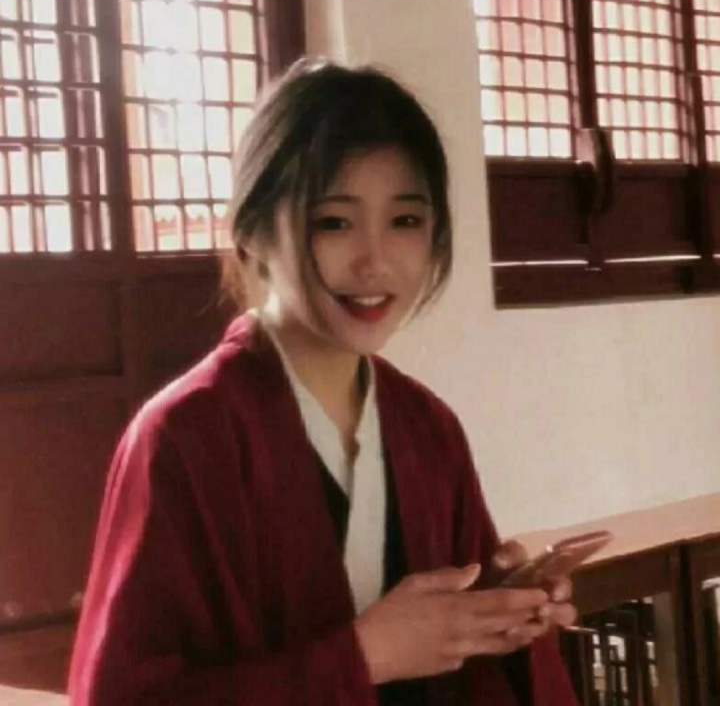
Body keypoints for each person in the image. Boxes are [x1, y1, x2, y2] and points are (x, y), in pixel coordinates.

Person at [68, 58, 579, 705]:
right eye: (334, 222)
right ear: (253, 231)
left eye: (405, 221)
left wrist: (503, 615)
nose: (375, 262)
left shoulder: (427, 429)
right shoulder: (186, 436)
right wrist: (364, 657)